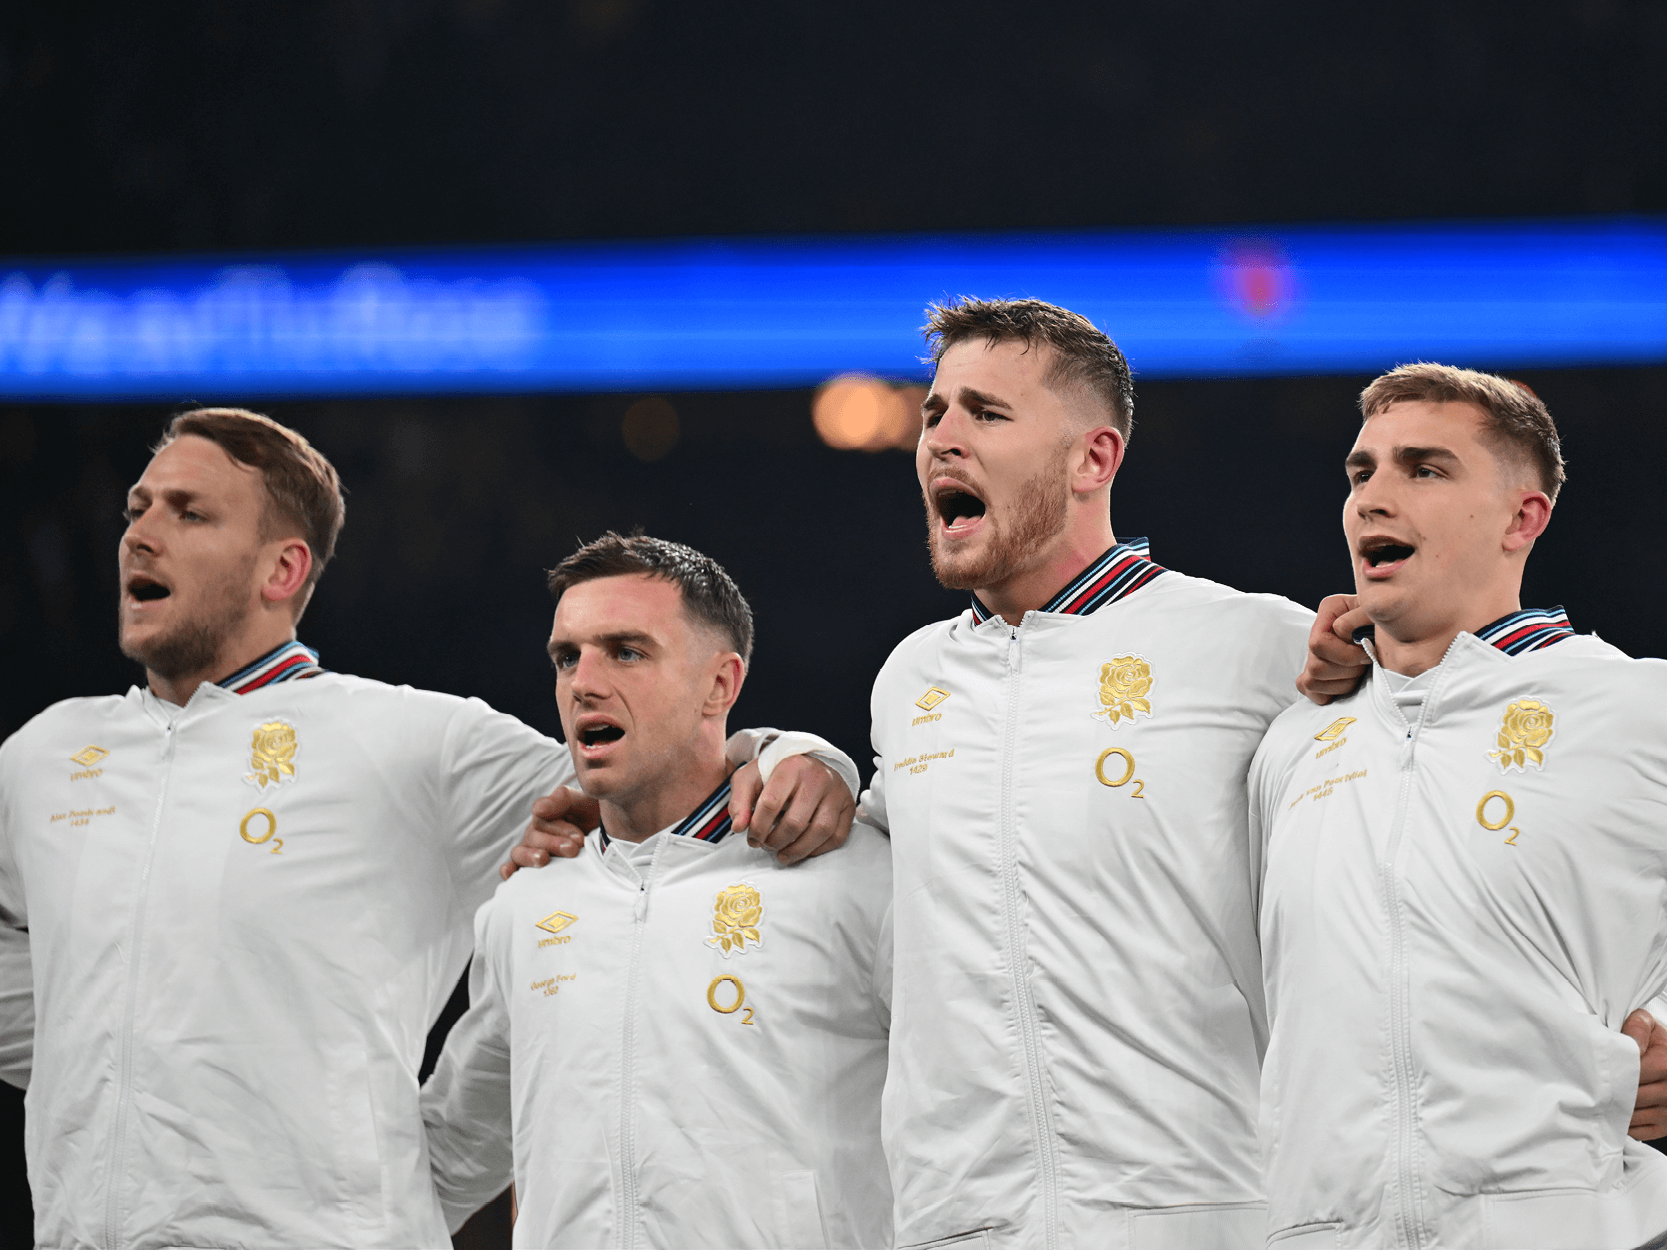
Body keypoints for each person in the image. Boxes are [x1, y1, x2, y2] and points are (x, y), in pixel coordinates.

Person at [0, 409, 857, 1249]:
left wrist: (792, 754)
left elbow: (663, 778)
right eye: (137, 509)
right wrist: (125, 1051)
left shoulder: (410, 742)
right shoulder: (43, 756)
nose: (140, 536)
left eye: (188, 513)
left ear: (283, 569)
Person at [861, 297, 1312, 1248]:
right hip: (960, 1223)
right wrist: (780, 755)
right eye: (933, 412)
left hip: (1205, 1214)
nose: (943, 439)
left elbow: (1451, 813)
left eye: (986, 413)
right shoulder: (910, 679)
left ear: (1091, 459)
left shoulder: (1254, 646)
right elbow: (859, 867)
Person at [1249, 364, 1667, 1248]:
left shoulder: (1633, 708)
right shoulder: (1293, 743)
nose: (1371, 498)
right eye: (1361, 473)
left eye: (1424, 470)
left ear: (1523, 518)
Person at [422, 533, 892, 1247]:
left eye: (627, 651)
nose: (583, 681)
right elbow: (454, 1150)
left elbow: (974, 1103)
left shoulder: (850, 873)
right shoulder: (528, 902)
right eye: (566, 656)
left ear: (720, 684)